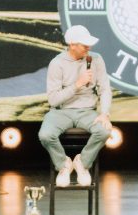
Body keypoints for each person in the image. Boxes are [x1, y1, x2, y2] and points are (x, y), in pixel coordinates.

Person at [39, 24, 112, 188]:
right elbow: (53, 100)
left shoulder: (96, 59)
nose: (89, 47)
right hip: (61, 112)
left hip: (87, 111)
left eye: (89, 44)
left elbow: (105, 89)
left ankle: (82, 163)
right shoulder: (57, 63)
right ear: (72, 44)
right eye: (84, 44)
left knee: (104, 131)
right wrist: (77, 85)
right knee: (45, 135)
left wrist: (105, 113)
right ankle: (64, 164)